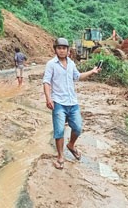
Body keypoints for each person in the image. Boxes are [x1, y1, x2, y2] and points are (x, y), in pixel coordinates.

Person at [42, 37, 100, 169]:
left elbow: (77, 77)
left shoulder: (71, 64)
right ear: (55, 50)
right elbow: (46, 82)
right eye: (59, 48)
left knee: (78, 128)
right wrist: (48, 98)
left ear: (68, 50)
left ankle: (71, 145)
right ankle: (60, 156)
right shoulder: (51, 64)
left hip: (73, 103)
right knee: (59, 131)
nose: (62, 51)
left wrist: (92, 71)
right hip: (58, 103)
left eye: (64, 48)